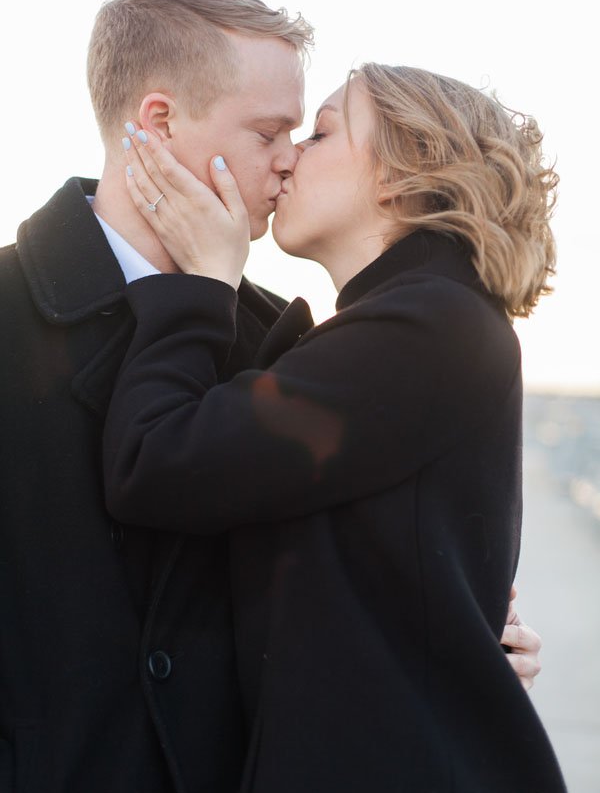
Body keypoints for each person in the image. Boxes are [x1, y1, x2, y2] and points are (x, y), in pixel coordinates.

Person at [0, 0, 540, 791]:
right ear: (159, 122)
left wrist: (459, 639)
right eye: (269, 134)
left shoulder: (289, 343)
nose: (288, 162)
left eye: (309, 135)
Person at [103, 64, 566, 792]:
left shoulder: (429, 326)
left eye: (319, 134)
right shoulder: (426, 323)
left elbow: (156, 462)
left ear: (404, 174)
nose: (287, 156)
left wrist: (198, 288)